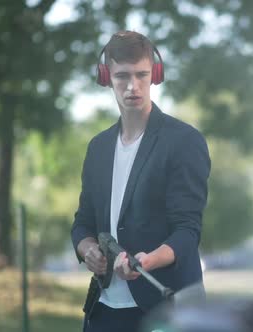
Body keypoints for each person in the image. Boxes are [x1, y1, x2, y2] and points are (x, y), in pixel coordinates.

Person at [71, 30, 211, 332]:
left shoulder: (184, 141)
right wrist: (88, 250)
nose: (133, 86)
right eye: (122, 76)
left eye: (142, 75)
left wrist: (145, 262)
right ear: (106, 76)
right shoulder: (98, 148)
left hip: (166, 311)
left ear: (155, 75)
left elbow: (187, 232)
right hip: (105, 311)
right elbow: (82, 223)